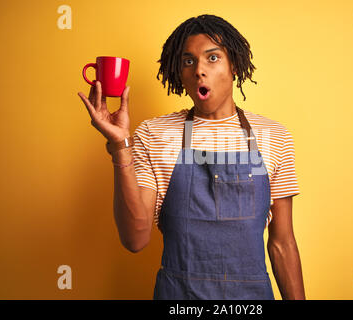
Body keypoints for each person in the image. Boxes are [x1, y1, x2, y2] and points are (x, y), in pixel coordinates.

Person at [78, 14, 305, 300]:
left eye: (212, 58)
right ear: (179, 72)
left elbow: (282, 244)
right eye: (188, 61)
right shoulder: (154, 134)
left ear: (233, 64)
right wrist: (120, 146)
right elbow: (135, 239)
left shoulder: (274, 136)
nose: (199, 70)